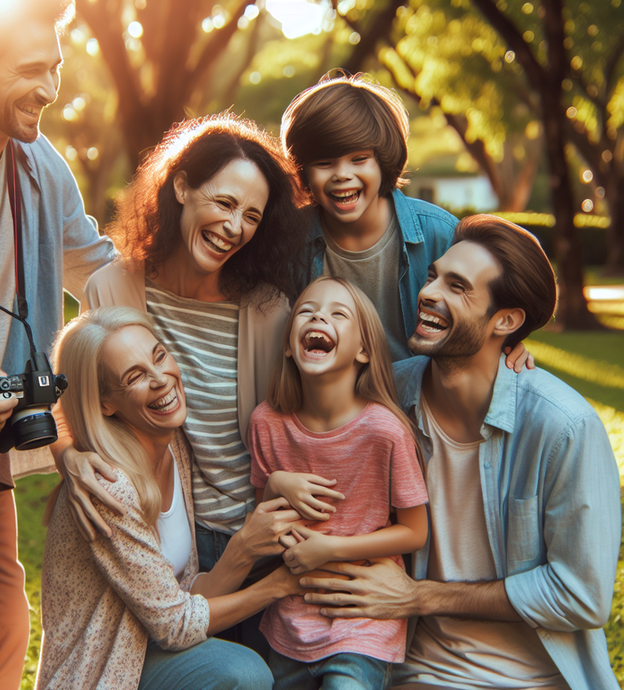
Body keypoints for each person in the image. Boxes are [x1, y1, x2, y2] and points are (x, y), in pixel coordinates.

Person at [299, 215, 622, 690]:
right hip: (412, 672)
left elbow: (582, 595)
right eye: (432, 276)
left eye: (458, 286)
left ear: (506, 321)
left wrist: (419, 597)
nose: (429, 293)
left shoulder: (564, 428)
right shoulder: (388, 396)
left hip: (536, 680)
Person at [53, 114, 310, 652]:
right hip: (165, 540)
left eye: (251, 215)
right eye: (223, 202)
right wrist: (68, 455)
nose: (234, 226)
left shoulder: (268, 310)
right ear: (182, 185)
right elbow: (77, 393)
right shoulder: (112, 287)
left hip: (259, 529)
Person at [0, 0, 116, 687]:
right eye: (31, 69)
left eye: (57, 67)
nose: (50, 86)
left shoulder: (41, 167)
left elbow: (99, 273)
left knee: (5, 628)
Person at [37, 306, 303, 690]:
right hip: (105, 674)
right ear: (106, 403)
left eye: (159, 355)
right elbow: (177, 626)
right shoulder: (109, 488)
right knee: (242, 673)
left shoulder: (172, 444)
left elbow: (183, 600)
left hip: (150, 651)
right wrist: (282, 585)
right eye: (135, 376)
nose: (161, 379)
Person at [281, 73, 531, 372]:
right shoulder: (288, 241)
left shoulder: (439, 234)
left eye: (359, 159)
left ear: (383, 160)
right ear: (303, 170)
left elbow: (486, 308)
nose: (342, 174)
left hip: (416, 406)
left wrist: (508, 344)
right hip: (328, 406)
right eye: (324, 163)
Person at [248, 277, 428, 690]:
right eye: (307, 311)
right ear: (289, 345)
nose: (319, 317)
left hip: (363, 618)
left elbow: (414, 531)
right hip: (289, 619)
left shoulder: (385, 431)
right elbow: (263, 516)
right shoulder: (267, 423)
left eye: (337, 313)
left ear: (364, 351)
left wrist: (333, 548)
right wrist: (276, 483)